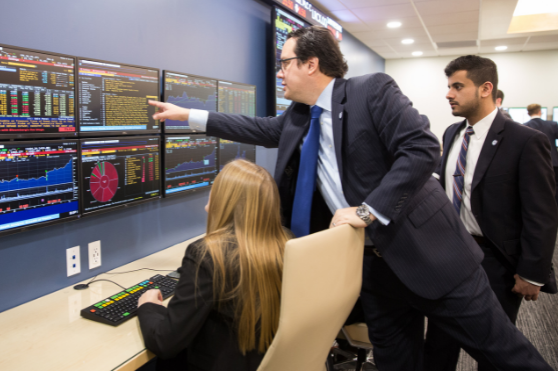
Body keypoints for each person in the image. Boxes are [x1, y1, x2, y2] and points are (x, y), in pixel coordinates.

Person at [149, 26, 553, 371]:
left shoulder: (370, 91)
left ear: (311, 64)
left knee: (506, 355)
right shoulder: (297, 117)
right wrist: (188, 116)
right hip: (374, 272)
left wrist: (367, 210)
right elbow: (256, 127)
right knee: (398, 362)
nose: (280, 72)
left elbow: (420, 148)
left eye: (285, 63)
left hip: (432, 256)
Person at [423, 55, 558, 371]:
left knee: (495, 350)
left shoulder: (525, 141)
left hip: (494, 261)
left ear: (485, 88)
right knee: (439, 343)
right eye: (448, 87)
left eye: (458, 86)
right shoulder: (452, 134)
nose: (448, 94)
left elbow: (541, 212)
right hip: (448, 256)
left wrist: (531, 273)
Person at [137, 159, 291, 371]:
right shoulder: (285, 244)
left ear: (225, 199)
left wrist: (147, 307)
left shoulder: (208, 255)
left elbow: (165, 342)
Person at [525, 103, 558, 204]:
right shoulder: (552, 125)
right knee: (555, 189)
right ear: (540, 111)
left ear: (528, 113)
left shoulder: (524, 127)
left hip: (533, 164)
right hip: (553, 162)